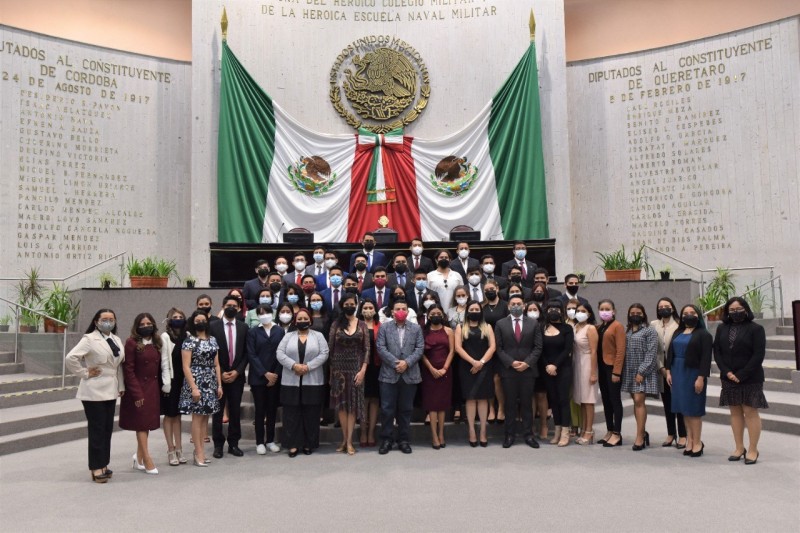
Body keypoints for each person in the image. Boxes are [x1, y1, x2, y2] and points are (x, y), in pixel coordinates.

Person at [65, 309, 125, 483]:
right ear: (97, 321)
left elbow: (119, 365)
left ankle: (104, 463)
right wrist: (84, 372)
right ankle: (96, 467)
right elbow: (71, 358)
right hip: (93, 390)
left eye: (111, 319)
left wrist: (121, 386)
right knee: (97, 429)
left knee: (107, 429)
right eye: (104, 319)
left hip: (111, 389)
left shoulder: (116, 339)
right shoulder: (89, 339)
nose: (108, 322)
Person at [713, 297, 767, 465]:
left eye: (738, 309)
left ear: (745, 309)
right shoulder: (722, 328)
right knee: (735, 412)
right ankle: (739, 447)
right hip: (728, 377)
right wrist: (727, 372)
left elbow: (758, 355)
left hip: (750, 377)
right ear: (727, 312)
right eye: (732, 310)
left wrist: (741, 374)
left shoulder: (756, 329)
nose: (735, 313)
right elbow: (717, 351)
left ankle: (752, 449)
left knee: (750, 412)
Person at [276, 309, 329, 457]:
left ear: (310, 320)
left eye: (305, 318)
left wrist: (308, 366)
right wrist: (294, 365)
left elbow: (324, 353)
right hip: (291, 380)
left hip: (312, 380)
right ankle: (292, 444)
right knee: (291, 414)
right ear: (295, 321)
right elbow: (279, 353)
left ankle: (308, 443)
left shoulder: (318, 336)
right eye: (299, 319)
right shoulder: (288, 336)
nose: (302, 321)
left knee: (311, 414)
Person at [376, 300, 425, 455]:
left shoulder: (416, 329)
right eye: (398, 309)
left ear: (408, 311)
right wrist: (396, 363)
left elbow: (420, 348)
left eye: (404, 309)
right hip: (389, 375)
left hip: (410, 375)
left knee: (406, 410)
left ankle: (403, 440)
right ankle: (386, 440)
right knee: (387, 410)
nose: (401, 311)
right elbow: (380, 347)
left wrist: (407, 363)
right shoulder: (384, 328)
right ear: (392, 312)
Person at [494, 295, 543, 449]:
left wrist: (527, 363)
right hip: (509, 370)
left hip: (528, 371)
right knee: (509, 404)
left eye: (519, 304)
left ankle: (529, 435)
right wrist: (511, 362)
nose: (516, 306)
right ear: (508, 306)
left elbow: (538, 347)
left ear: (524, 306)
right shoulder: (500, 324)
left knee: (527, 404)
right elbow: (498, 348)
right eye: (513, 304)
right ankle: (509, 435)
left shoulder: (534, 323)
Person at [666, 304, 712, 458]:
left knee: (694, 409)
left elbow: (706, 359)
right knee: (684, 409)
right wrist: (668, 371)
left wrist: (701, 378)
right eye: (685, 313)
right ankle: (690, 440)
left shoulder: (703, 334)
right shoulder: (677, 332)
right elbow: (670, 353)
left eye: (692, 312)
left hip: (693, 373)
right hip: (677, 372)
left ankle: (698, 442)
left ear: (698, 315)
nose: (688, 315)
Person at [119, 313, 162, 475]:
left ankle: (138, 457)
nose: (146, 326)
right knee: (142, 425)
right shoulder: (131, 343)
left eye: (149, 323)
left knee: (146, 425)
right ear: (137, 326)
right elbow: (128, 370)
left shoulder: (156, 341)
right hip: (138, 389)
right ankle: (147, 458)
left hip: (153, 388)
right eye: (142, 324)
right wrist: (137, 394)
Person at [179, 311, 222, 467]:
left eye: (203, 320)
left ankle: (201, 451)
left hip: (210, 381)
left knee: (205, 417)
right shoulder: (189, 341)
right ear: (193, 322)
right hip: (196, 381)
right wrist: (193, 388)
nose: (201, 322)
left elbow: (217, 364)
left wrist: (219, 384)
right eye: (197, 320)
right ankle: (198, 453)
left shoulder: (213, 340)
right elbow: (186, 366)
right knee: (197, 418)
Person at [328, 294, 370, 455]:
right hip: (338, 369)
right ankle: (344, 440)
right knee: (342, 406)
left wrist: (363, 370)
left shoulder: (362, 325)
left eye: (352, 303)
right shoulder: (335, 324)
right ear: (342, 305)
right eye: (347, 303)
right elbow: (330, 349)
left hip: (356, 369)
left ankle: (350, 441)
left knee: (352, 406)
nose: (350, 306)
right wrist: (331, 373)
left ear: (356, 305)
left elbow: (367, 349)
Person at [209, 295, 249, 459]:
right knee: (217, 411)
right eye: (228, 305)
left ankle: (234, 443)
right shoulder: (213, 327)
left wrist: (238, 371)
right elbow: (211, 351)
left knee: (235, 411)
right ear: (223, 306)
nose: (231, 307)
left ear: (239, 308)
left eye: (234, 305)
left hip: (236, 376)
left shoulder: (244, 327)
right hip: (219, 376)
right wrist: (222, 372)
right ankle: (218, 445)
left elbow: (247, 353)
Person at [455, 301, 496, 447]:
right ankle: (472, 430)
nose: (474, 311)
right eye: (471, 309)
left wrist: (481, 362)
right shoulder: (460, 327)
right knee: (471, 399)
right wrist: (473, 362)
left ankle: (483, 431)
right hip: (467, 366)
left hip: (484, 367)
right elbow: (458, 348)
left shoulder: (487, 327)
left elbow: (492, 347)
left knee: (483, 399)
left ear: (481, 311)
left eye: (476, 309)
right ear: (467, 311)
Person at [246, 305, 285, 455]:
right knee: (260, 411)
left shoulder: (279, 331)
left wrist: (275, 374)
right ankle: (259, 442)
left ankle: (270, 440)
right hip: (258, 377)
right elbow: (251, 354)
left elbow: (282, 353)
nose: (264, 315)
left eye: (267, 312)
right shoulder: (253, 331)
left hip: (275, 377)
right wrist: (264, 373)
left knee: (272, 410)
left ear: (272, 313)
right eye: (261, 313)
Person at [621, 303, 658, 451]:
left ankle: (639, 437)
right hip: (629, 371)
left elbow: (651, 352)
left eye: (638, 312)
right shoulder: (627, 331)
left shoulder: (649, 330)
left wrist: (641, 371)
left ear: (643, 314)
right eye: (632, 312)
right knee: (635, 402)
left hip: (643, 371)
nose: (635, 314)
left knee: (639, 401)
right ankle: (642, 431)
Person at [651, 297, 686, 448]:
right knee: (667, 402)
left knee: (679, 401)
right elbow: (654, 348)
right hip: (661, 366)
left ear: (672, 308)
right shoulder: (654, 324)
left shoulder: (679, 324)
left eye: (667, 306)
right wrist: (661, 368)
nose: (663, 308)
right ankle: (671, 433)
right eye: (661, 306)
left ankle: (683, 435)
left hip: (677, 365)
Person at [420, 304, 455, 449]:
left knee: (442, 405)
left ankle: (441, 434)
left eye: (438, 313)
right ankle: (434, 435)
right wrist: (432, 369)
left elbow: (452, 351)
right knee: (432, 405)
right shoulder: (423, 332)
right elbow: (420, 352)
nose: (436, 315)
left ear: (442, 315)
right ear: (428, 316)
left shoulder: (448, 331)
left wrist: (445, 368)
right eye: (432, 313)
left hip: (445, 370)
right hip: (429, 371)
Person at [540, 302, 575, 447]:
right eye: (550, 309)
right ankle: (557, 430)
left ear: (561, 312)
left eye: (556, 309)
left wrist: (555, 365)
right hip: (547, 369)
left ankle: (566, 432)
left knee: (563, 400)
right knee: (553, 400)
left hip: (563, 368)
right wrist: (548, 365)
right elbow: (539, 349)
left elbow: (567, 349)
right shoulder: (542, 328)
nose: (553, 311)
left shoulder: (567, 328)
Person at [597, 299, 626, 447]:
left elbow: (621, 350)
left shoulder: (617, 326)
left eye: (607, 309)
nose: (604, 311)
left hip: (612, 368)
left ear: (613, 311)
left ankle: (617, 433)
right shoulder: (600, 327)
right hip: (601, 368)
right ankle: (609, 430)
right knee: (606, 401)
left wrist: (617, 372)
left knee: (615, 400)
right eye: (601, 309)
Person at [160, 308, 188, 465]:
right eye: (175, 317)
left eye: (181, 316)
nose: (178, 319)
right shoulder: (165, 337)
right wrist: (166, 383)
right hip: (170, 380)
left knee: (178, 415)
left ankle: (179, 448)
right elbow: (164, 361)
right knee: (169, 415)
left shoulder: (187, 336)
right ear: (169, 320)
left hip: (183, 380)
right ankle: (170, 449)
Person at [572, 302, 600, 445]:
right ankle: (583, 429)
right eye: (578, 310)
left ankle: (589, 431)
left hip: (588, 363)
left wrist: (593, 372)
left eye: (583, 310)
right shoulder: (576, 327)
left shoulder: (591, 328)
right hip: (577, 364)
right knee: (581, 400)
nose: (579, 313)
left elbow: (594, 351)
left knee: (588, 400)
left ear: (589, 314)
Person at [481, 279, 508, 424]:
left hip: (501, 346)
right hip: (484, 347)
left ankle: (501, 408)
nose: (489, 292)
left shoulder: (505, 306)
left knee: (497, 379)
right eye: (486, 290)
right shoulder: (481, 306)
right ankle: (491, 408)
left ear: (497, 289)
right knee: (488, 379)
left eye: (491, 288)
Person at [358, 299, 381, 447]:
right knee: (363, 400)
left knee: (374, 400)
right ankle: (363, 431)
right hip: (360, 367)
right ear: (361, 310)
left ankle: (371, 432)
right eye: (365, 307)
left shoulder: (381, 326)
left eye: (370, 307)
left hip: (377, 367)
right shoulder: (356, 326)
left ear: (375, 310)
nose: (368, 310)